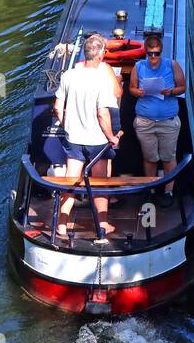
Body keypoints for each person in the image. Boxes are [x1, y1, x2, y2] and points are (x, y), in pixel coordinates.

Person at [53, 33, 120, 239]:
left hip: (73, 139)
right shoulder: (102, 79)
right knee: (100, 184)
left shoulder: (68, 75)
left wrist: (68, 126)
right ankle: (102, 225)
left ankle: (61, 226)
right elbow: (102, 113)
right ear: (100, 55)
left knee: (70, 183)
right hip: (98, 142)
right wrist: (112, 137)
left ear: (85, 53)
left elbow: (57, 107)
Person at [128, 32, 185, 203]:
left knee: (168, 157)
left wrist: (172, 91)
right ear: (145, 52)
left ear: (161, 52)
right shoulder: (138, 67)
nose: (153, 57)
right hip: (145, 122)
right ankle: (150, 188)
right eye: (150, 54)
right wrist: (137, 92)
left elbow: (182, 87)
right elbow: (131, 88)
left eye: (157, 54)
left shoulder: (172, 65)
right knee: (150, 157)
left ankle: (168, 192)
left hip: (168, 122)